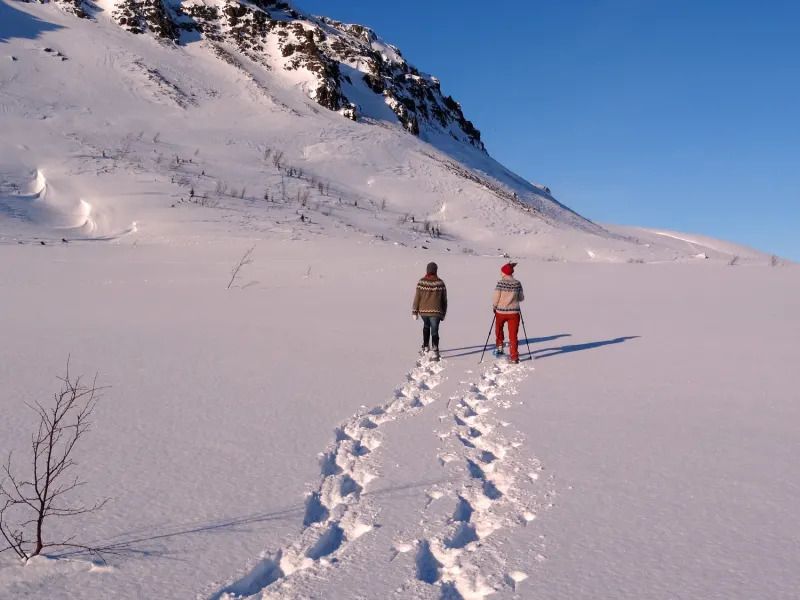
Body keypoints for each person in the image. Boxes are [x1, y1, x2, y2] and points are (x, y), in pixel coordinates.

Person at [412, 262, 447, 361]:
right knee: (435, 331)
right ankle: (435, 350)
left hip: (423, 312)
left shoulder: (421, 282)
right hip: (436, 312)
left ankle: (426, 347)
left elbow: (417, 298)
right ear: (436, 270)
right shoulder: (440, 283)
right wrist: (443, 313)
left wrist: (414, 311)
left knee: (426, 327)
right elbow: (444, 300)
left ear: (427, 270)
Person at [492, 262, 525, 363]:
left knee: (499, 330)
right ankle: (514, 356)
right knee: (513, 335)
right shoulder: (517, 283)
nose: (500, 273)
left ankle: (499, 348)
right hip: (514, 313)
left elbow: (496, 297)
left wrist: (494, 306)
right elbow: (521, 298)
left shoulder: (500, 283)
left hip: (500, 312)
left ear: (504, 273)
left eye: (501, 272)